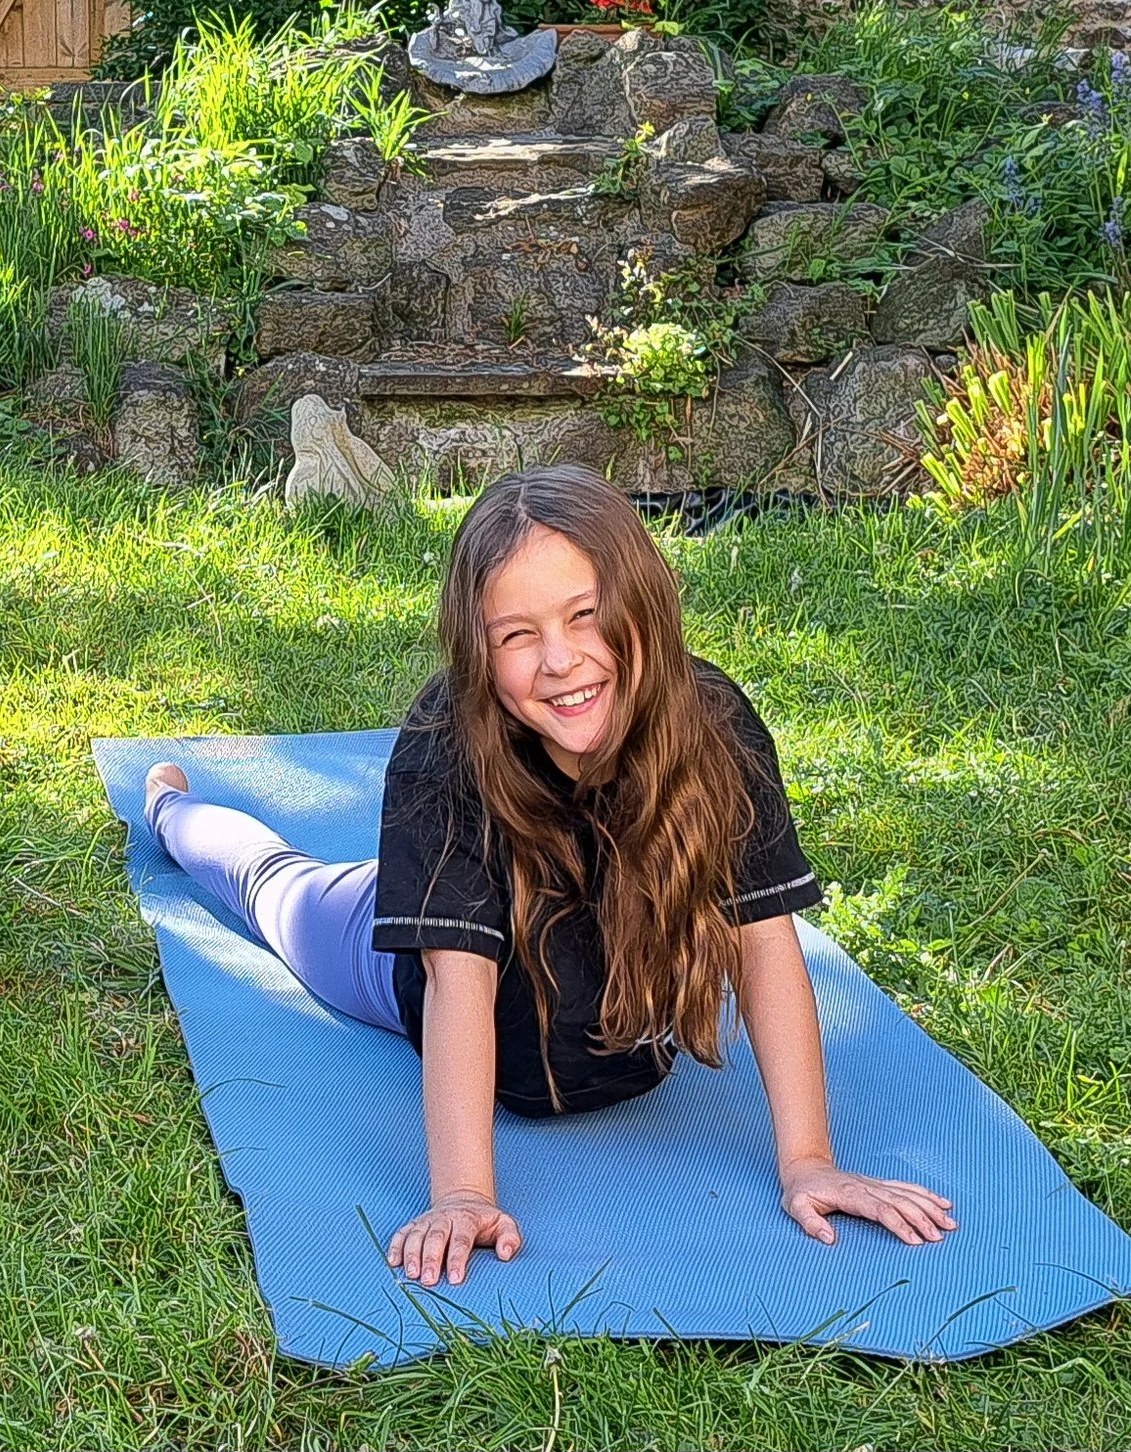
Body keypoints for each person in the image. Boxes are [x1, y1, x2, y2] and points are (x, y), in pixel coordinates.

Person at [141, 465, 955, 1288]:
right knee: (279, 888)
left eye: (585, 614)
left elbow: (765, 942)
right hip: (416, 961)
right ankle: (173, 811)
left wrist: (810, 1160)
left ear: (643, 604)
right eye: (517, 635)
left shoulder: (712, 726)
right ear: (479, 651)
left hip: (562, 946)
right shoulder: (447, 745)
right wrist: (463, 1193)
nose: (561, 659)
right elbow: (457, 983)